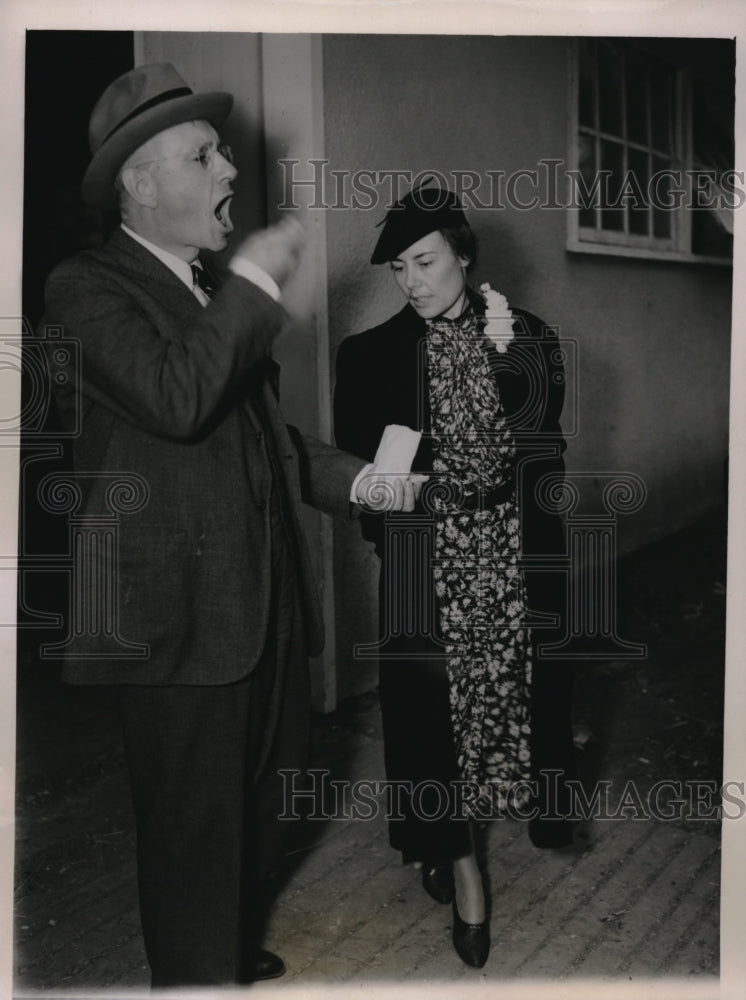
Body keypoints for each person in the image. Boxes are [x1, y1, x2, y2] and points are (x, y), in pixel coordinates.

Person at [38, 62, 422, 988]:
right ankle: (196, 971)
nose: (230, 172)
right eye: (203, 156)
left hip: (261, 602)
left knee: (268, 801)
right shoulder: (85, 287)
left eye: (221, 153)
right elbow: (177, 398)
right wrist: (253, 283)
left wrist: (361, 483)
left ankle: (222, 944)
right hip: (175, 619)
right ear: (139, 183)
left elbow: (265, 439)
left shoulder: (211, 293)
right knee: (193, 828)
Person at [334, 184, 576, 969]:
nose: (412, 281)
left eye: (426, 261)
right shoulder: (368, 355)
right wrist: (397, 524)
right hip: (426, 563)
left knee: (504, 702)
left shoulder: (529, 338)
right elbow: (360, 477)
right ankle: (463, 870)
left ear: (464, 256)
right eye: (399, 268)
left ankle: (517, 810)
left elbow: (546, 455)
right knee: (429, 719)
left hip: (510, 554)